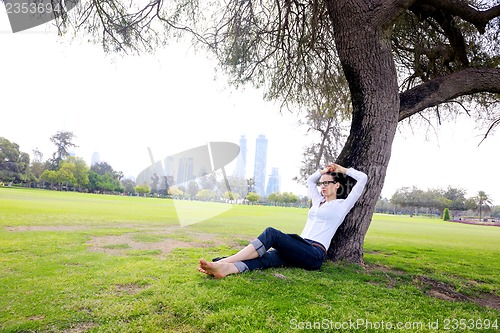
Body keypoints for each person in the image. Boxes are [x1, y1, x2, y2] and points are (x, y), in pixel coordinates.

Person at [197, 163, 368, 278]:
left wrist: (342, 170)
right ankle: (225, 269)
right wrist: (323, 172)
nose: (322, 186)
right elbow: (310, 180)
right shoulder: (318, 201)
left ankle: (224, 261)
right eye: (321, 183)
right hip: (300, 245)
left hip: (314, 253)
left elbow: (363, 179)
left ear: (337, 185)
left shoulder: (342, 205)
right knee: (268, 258)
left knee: (272, 234)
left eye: (327, 183)